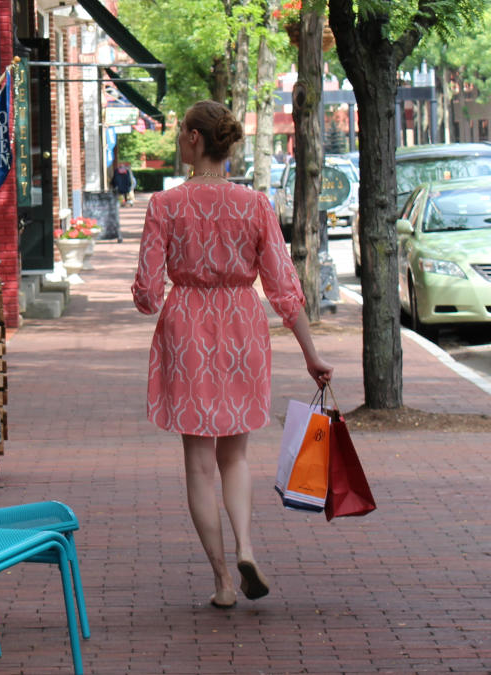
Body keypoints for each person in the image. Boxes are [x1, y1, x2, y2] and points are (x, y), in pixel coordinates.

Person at [131, 100, 333, 610]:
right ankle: (246, 546)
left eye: (181, 133)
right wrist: (311, 353)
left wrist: (153, 292)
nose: (178, 140)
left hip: (188, 331)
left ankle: (223, 579)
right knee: (236, 456)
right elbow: (285, 288)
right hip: (243, 327)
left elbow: (148, 295)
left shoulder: (166, 206)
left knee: (199, 463)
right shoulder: (256, 205)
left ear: (197, 139)